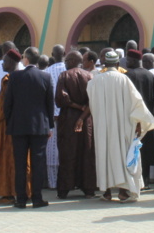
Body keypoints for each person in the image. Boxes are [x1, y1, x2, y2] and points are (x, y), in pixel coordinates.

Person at [87, 51, 154, 202]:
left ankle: (106, 192)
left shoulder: (94, 82)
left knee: (104, 154)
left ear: (104, 64)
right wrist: (139, 123)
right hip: (123, 126)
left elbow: (92, 105)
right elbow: (137, 102)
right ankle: (123, 192)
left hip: (102, 127)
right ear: (118, 64)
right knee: (123, 155)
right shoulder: (124, 80)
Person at [4, 47, 54, 209]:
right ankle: (37, 198)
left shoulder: (15, 77)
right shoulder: (45, 77)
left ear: (25, 59)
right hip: (40, 126)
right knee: (38, 164)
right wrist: (50, 126)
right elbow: (49, 104)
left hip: (18, 126)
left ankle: (21, 199)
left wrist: (9, 122)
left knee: (20, 164)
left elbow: (8, 103)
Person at [0, 49, 26, 204]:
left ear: (13, 63)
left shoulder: (9, 80)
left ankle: (8, 193)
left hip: (4, 127)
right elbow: (1, 100)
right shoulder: (16, 78)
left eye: (5, 61)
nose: (3, 64)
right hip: (14, 125)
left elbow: (2, 109)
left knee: (5, 160)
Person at [55, 51, 97, 199]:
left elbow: (61, 99)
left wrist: (77, 108)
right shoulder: (90, 76)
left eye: (67, 60)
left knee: (68, 153)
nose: (65, 63)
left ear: (72, 60)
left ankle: (64, 188)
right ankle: (89, 188)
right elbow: (93, 101)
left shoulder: (65, 76)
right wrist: (83, 112)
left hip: (68, 119)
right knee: (87, 151)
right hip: (87, 120)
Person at [125, 49, 154, 189]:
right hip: (147, 116)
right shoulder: (150, 75)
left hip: (132, 118)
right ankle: (146, 180)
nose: (126, 62)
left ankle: (133, 181)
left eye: (128, 59)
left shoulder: (128, 75)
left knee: (133, 149)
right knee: (146, 149)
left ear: (133, 60)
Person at [45, 44, 66, 190]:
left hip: (52, 116)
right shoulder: (70, 70)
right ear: (64, 53)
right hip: (68, 115)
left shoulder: (46, 72)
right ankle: (66, 181)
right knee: (67, 148)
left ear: (52, 54)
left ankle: (52, 182)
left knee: (52, 151)